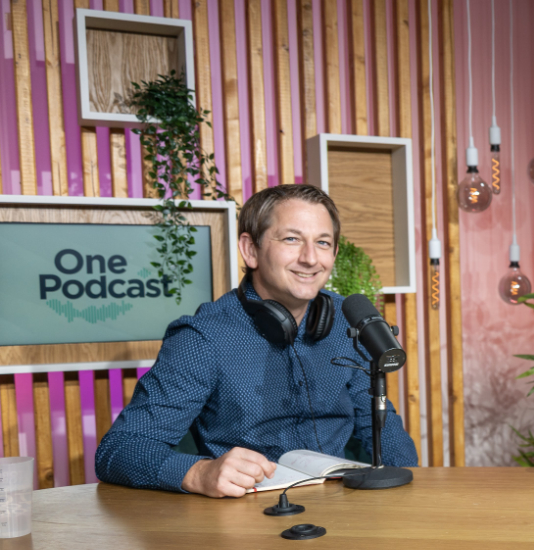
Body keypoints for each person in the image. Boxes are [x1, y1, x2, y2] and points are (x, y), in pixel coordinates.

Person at [96, 184, 418, 497]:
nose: (310, 258)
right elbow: (119, 450)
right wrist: (198, 473)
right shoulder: (203, 337)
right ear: (251, 250)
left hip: (343, 507)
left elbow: (380, 425)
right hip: (251, 516)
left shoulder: (347, 322)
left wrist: (413, 489)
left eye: (322, 242)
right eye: (292, 239)